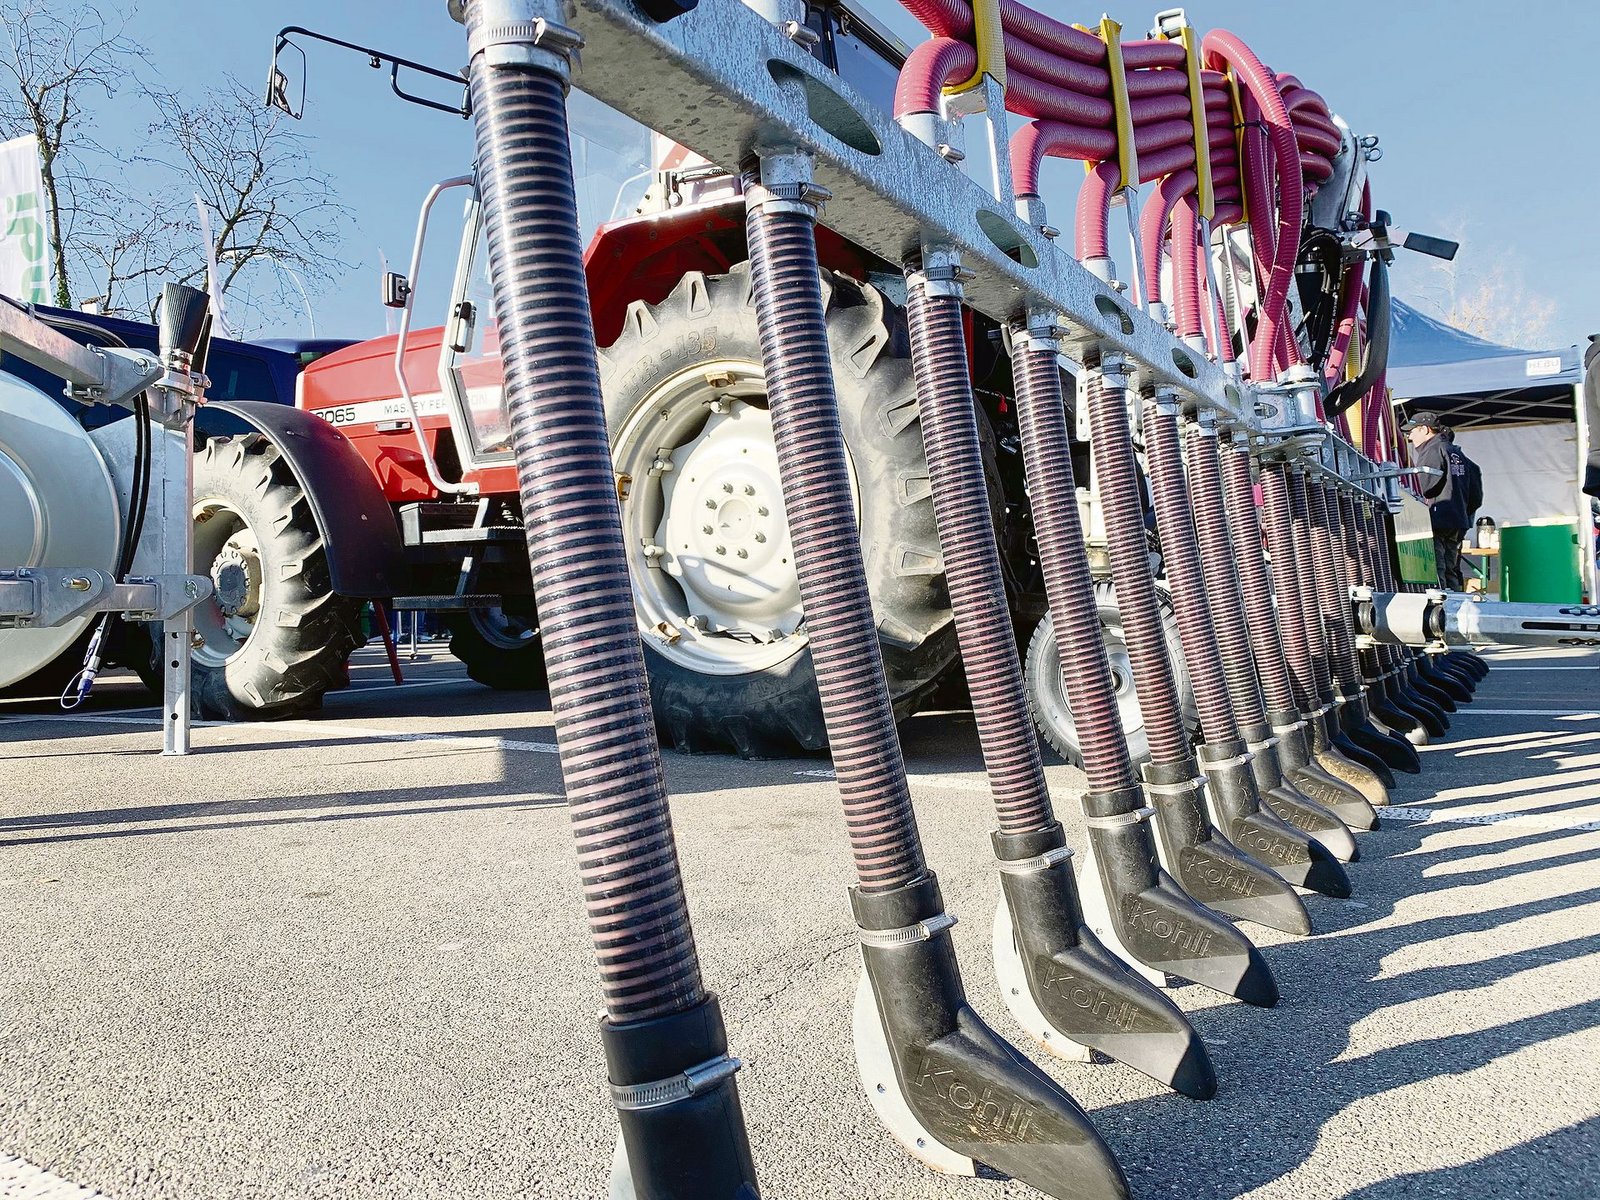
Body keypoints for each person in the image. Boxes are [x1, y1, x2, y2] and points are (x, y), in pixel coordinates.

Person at [1403, 410, 1468, 590]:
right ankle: (1456, 602)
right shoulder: (1454, 451)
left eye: (1412, 431)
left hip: (1438, 517)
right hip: (1456, 517)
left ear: (1424, 429)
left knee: (1437, 569)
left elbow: (1423, 487)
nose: (1410, 437)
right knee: (1450, 569)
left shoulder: (1432, 450)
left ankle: (1442, 605)